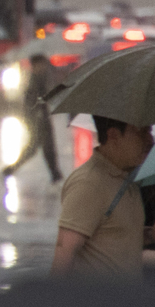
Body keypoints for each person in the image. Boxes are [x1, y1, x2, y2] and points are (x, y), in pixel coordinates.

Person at [51, 115, 154, 278]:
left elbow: (112, 236)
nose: (150, 139)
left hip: (126, 300)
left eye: (149, 130)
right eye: (142, 132)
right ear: (113, 135)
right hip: (97, 301)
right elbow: (64, 252)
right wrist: (55, 302)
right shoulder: (89, 183)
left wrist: (148, 235)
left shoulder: (126, 180)